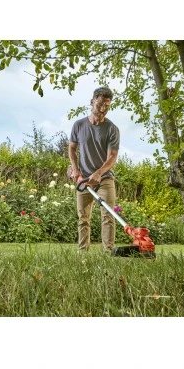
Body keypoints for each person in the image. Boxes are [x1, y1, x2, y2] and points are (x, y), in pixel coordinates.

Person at [68, 86, 120, 252]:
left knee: (108, 215)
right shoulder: (79, 125)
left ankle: (108, 253)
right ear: (92, 102)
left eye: (107, 106)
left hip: (104, 179)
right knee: (83, 218)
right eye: (100, 105)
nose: (103, 109)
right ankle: (83, 252)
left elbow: (112, 157)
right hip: (84, 179)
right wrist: (75, 169)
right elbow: (72, 149)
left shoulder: (112, 129)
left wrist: (99, 173)